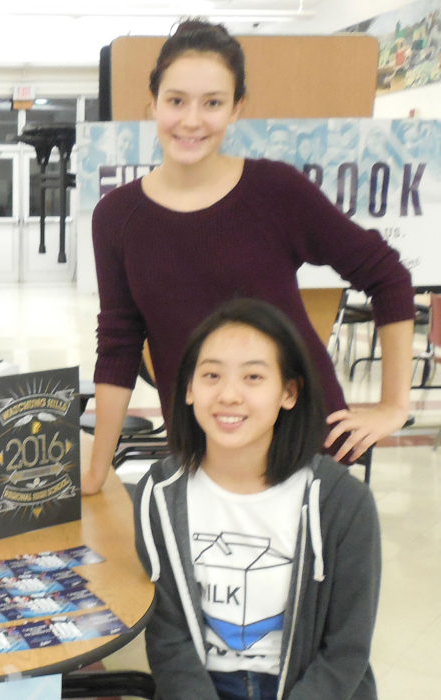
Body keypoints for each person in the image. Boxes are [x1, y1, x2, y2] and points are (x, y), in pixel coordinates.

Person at [84, 18, 415, 494]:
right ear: (152, 103)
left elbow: (387, 275)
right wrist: (97, 471)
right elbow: (118, 346)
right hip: (202, 445)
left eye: (213, 103)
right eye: (176, 101)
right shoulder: (116, 217)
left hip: (302, 440)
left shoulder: (275, 191)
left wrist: (393, 406)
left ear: (237, 108)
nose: (192, 120)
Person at [134, 298, 380, 699]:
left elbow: (345, 652)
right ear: (190, 389)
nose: (229, 395)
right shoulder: (160, 495)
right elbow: (168, 641)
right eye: (211, 375)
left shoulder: (342, 503)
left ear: (289, 391)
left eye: (253, 377)